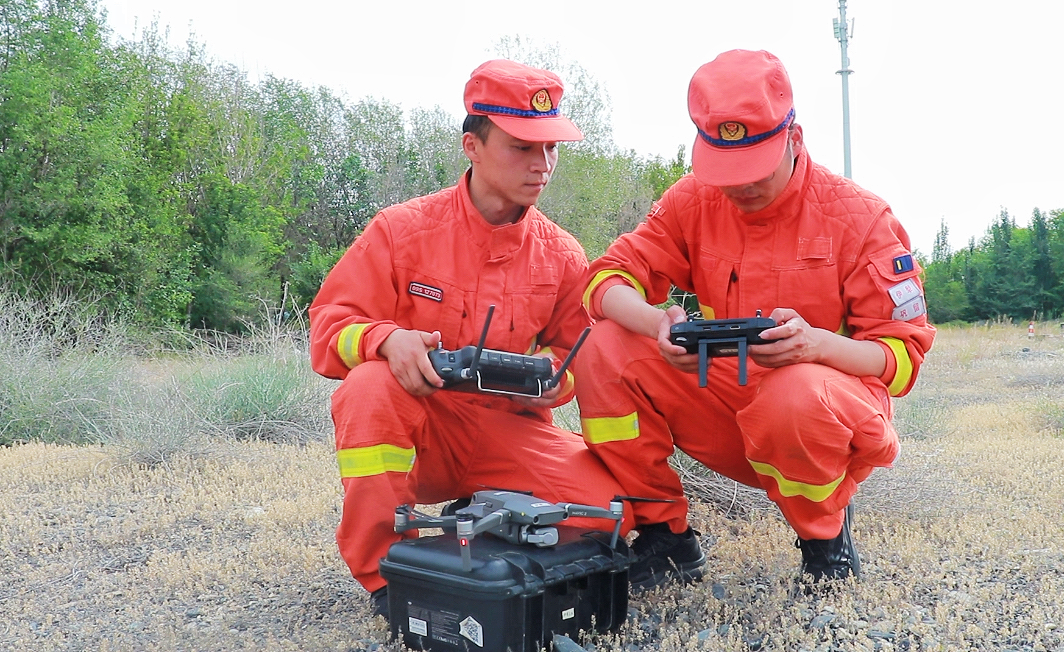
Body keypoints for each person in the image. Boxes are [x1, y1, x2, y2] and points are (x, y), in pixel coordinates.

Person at [572, 49, 936, 590]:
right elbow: (605, 280)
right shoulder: (693, 201)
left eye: (755, 170)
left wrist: (814, 347)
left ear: (794, 138)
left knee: (795, 393)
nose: (740, 187)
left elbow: (902, 358)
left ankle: (824, 542)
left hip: (823, 415)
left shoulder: (860, 218)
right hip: (728, 402)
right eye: (725, 172)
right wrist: (657, 324)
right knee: (604, 346)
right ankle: (663, 536)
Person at [309, 59, 632, 618]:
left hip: (506, 429)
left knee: (609, 514)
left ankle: (484, 527)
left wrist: (550, 384)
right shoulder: (401, 230)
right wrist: (387, 341)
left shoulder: (562, 254)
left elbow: (574, 352)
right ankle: (390, 578)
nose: (543, 164)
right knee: (367, 389)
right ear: (472, 146)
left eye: (551, 148)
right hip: (422, 428)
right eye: (522, 147)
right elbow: (328, 325)